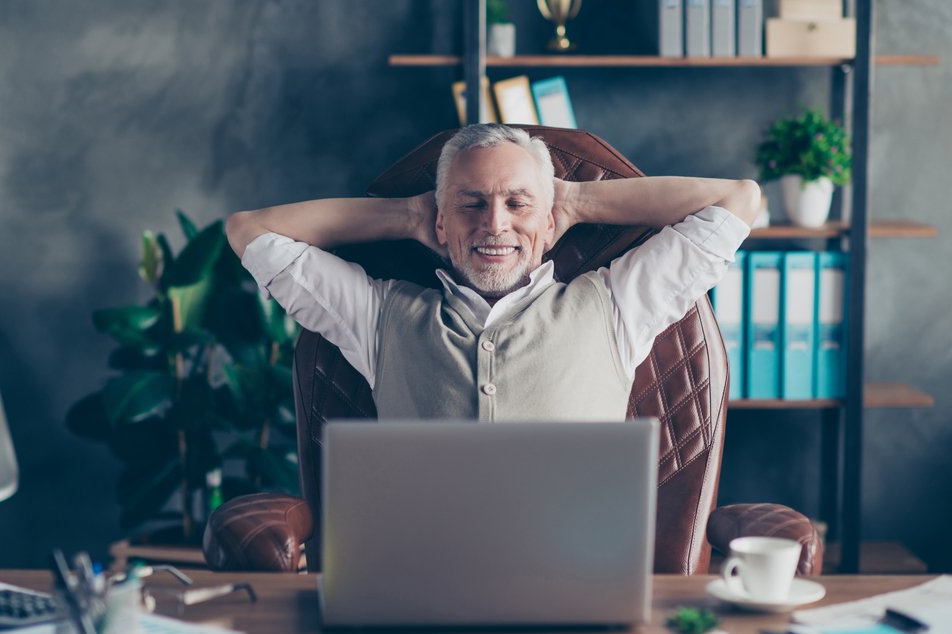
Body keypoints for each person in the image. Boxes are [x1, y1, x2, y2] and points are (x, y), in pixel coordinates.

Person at [226, 124, 758, 420]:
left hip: (573, 590)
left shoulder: (617, 306)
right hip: (422, 592)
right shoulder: (375, 316)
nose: (494, 224)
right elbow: (250, 232)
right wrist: (412, 215)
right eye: (471, 204)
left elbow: (737, 200)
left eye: (517, 204)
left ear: (548, 223)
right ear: (441, 221)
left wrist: (570, 202)